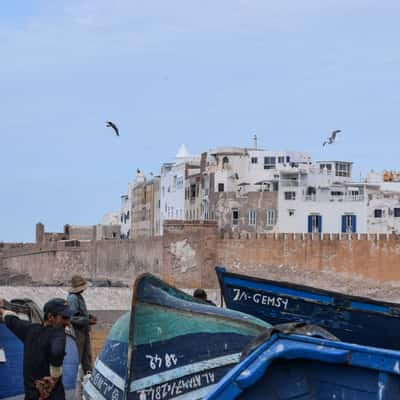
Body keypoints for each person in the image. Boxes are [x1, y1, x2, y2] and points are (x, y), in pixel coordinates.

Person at [0, 297, 72, 399]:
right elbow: (57, 353)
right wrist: (54, 378)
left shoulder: (29, 330)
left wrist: (2, 310)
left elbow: (11, 320)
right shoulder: (58, 333)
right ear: (50, 316)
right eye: (64, 317)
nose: (68, 322)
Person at [67, 274, 97, 376]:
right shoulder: (73, 298)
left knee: (86, 357)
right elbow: (71, 318)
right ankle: (76, 380)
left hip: (83, 331)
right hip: (77, 332)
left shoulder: (78, 297)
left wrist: (89, 316)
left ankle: (87, 378)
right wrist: (87, 321)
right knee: (79, 357)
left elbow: (80, 313)